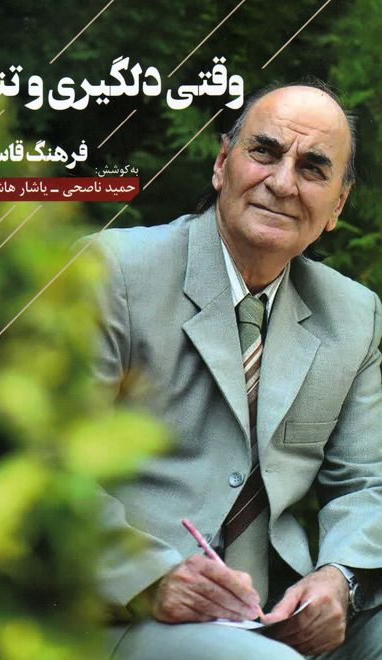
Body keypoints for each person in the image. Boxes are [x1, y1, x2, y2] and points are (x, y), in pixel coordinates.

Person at [92, 81, 382, 659]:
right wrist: (150, 578)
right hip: (123, 607)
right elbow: (44, 465)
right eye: (264, 152)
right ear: (222, 164)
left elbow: (368, 481)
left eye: (313, 168)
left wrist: (340, 578)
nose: (283, 183)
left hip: (277, 609)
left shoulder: (353, 314)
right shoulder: (114, 273)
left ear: (337, 206)